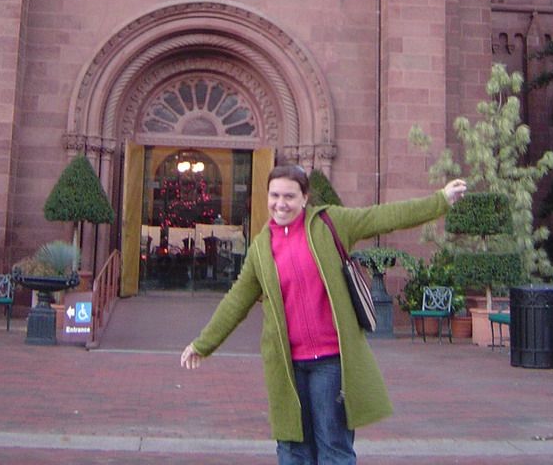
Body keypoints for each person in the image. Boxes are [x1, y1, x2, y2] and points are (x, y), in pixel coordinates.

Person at [180, 164, 467, 464]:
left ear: (305, 198)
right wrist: (204, 344)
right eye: (275, 195)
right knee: (293, 450)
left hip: (330, 363)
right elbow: (236, 301)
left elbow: (385, 216)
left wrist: (440, 200)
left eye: (289, 196)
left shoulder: (331, 223)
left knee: (333, 448)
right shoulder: (262, 248)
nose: (280, 204)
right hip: (287, 366)